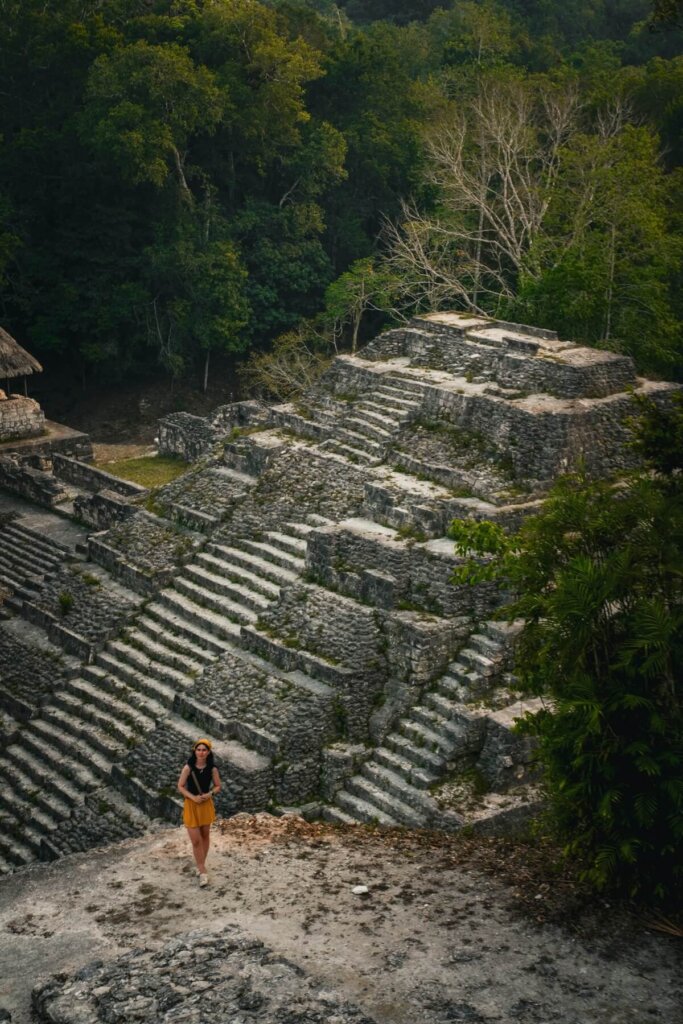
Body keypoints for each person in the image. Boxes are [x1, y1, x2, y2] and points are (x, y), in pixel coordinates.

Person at [177, 738, 222, 887]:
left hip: (205, 804)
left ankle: (201, 865)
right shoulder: (188, 768)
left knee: (205, 835)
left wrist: (209, 794)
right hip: (191, 805)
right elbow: (181, 786)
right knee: (196, 840)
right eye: (199, 749)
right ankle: (203, 872)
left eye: (204, 750)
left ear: (208, 752)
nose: (201, 752)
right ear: (194, 751)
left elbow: (217, 786)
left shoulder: (212, 769)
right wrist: (193, 797)